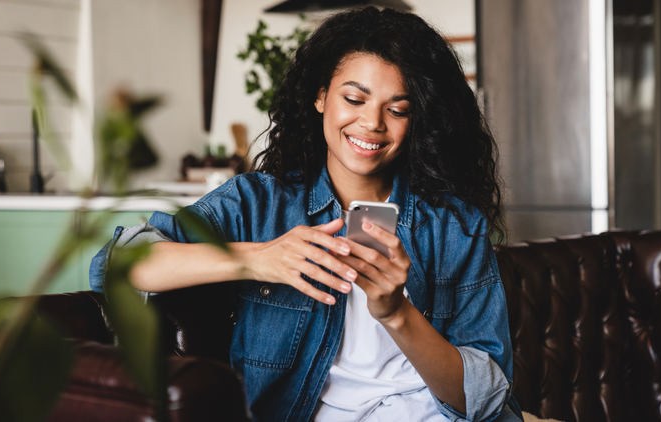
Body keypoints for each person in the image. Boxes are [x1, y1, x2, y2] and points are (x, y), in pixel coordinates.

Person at [90, 7, 523, 422]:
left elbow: (483, 400)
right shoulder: (257, 204)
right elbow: (119, 263)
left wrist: (397, 314)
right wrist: (257, 257)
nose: (372, 123)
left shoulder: (453, 226)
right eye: (354, 98)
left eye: (397, 110)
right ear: (320, 96)